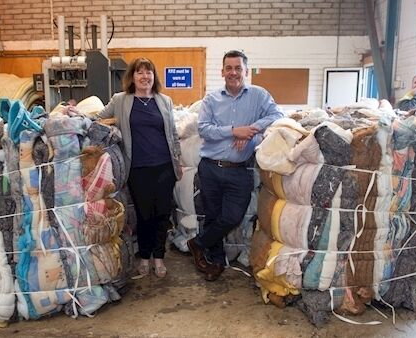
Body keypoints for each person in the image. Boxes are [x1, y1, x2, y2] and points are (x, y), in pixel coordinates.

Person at [187, 50, 283, 281]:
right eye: (229, 68)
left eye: (238, 68)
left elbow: (277, 114)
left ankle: (197, 244)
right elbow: (204, 130)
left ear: (246, 71)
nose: (233, 72)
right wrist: (233, 131)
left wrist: (251, 130)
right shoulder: (211, 100)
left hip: (239, 170)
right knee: (212, 216)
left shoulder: (259, 96)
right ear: (222, 72)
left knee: (232, 217)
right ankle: (217, 261)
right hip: (209, 167)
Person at [97, 58, 182, 278]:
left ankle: (159, 258)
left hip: (165, 167)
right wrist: (75, 114)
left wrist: (178, 160)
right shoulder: (121, 100)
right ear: (132, 77)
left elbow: (172, 133)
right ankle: (144, 257)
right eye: (140, 72)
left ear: (154, 77)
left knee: (162, 214)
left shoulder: (164, 101)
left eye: (149, 73)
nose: (145, 77)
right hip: (137, 168)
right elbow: (98, 119)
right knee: (144, 215)